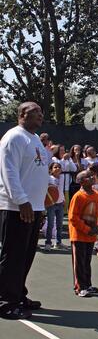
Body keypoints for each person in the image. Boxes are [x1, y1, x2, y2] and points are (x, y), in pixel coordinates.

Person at [0, 102, 49, 319]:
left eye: (41, 112)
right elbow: (8, 172)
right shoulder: (14, 137)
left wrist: (41, 205)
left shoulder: (35, 139)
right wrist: (22, 201)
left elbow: (37, 174)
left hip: (34, 207)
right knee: (13, 255)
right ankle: (5, 302)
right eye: (35, 111)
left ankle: (18, 294)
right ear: (22, 114)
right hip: (16, 208)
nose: (40, 114)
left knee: (26, 256)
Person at [68, 170, 98, 297]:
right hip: (79, 235)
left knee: (87, 261)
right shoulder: (78, 196)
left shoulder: (97, 195)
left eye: (92, 175)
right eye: (88, 176)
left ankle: (87, 284)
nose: (92, 177)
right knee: (79, 262)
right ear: (82, 181)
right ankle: (79, 287)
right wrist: (87, 229)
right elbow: (73, 218)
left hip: (91, 235)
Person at [45, 162, 67, 251]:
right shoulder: (48, 178)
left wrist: (63, 198)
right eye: (55, 167)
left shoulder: (62, 178)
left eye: (59, 167)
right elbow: (47, 192)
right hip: (51, 204)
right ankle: (48, 243)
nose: (57, 168)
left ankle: (58, 242)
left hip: (60, 204)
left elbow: (61, 190)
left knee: (59, 225)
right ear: (51, 170)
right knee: (50, 224)